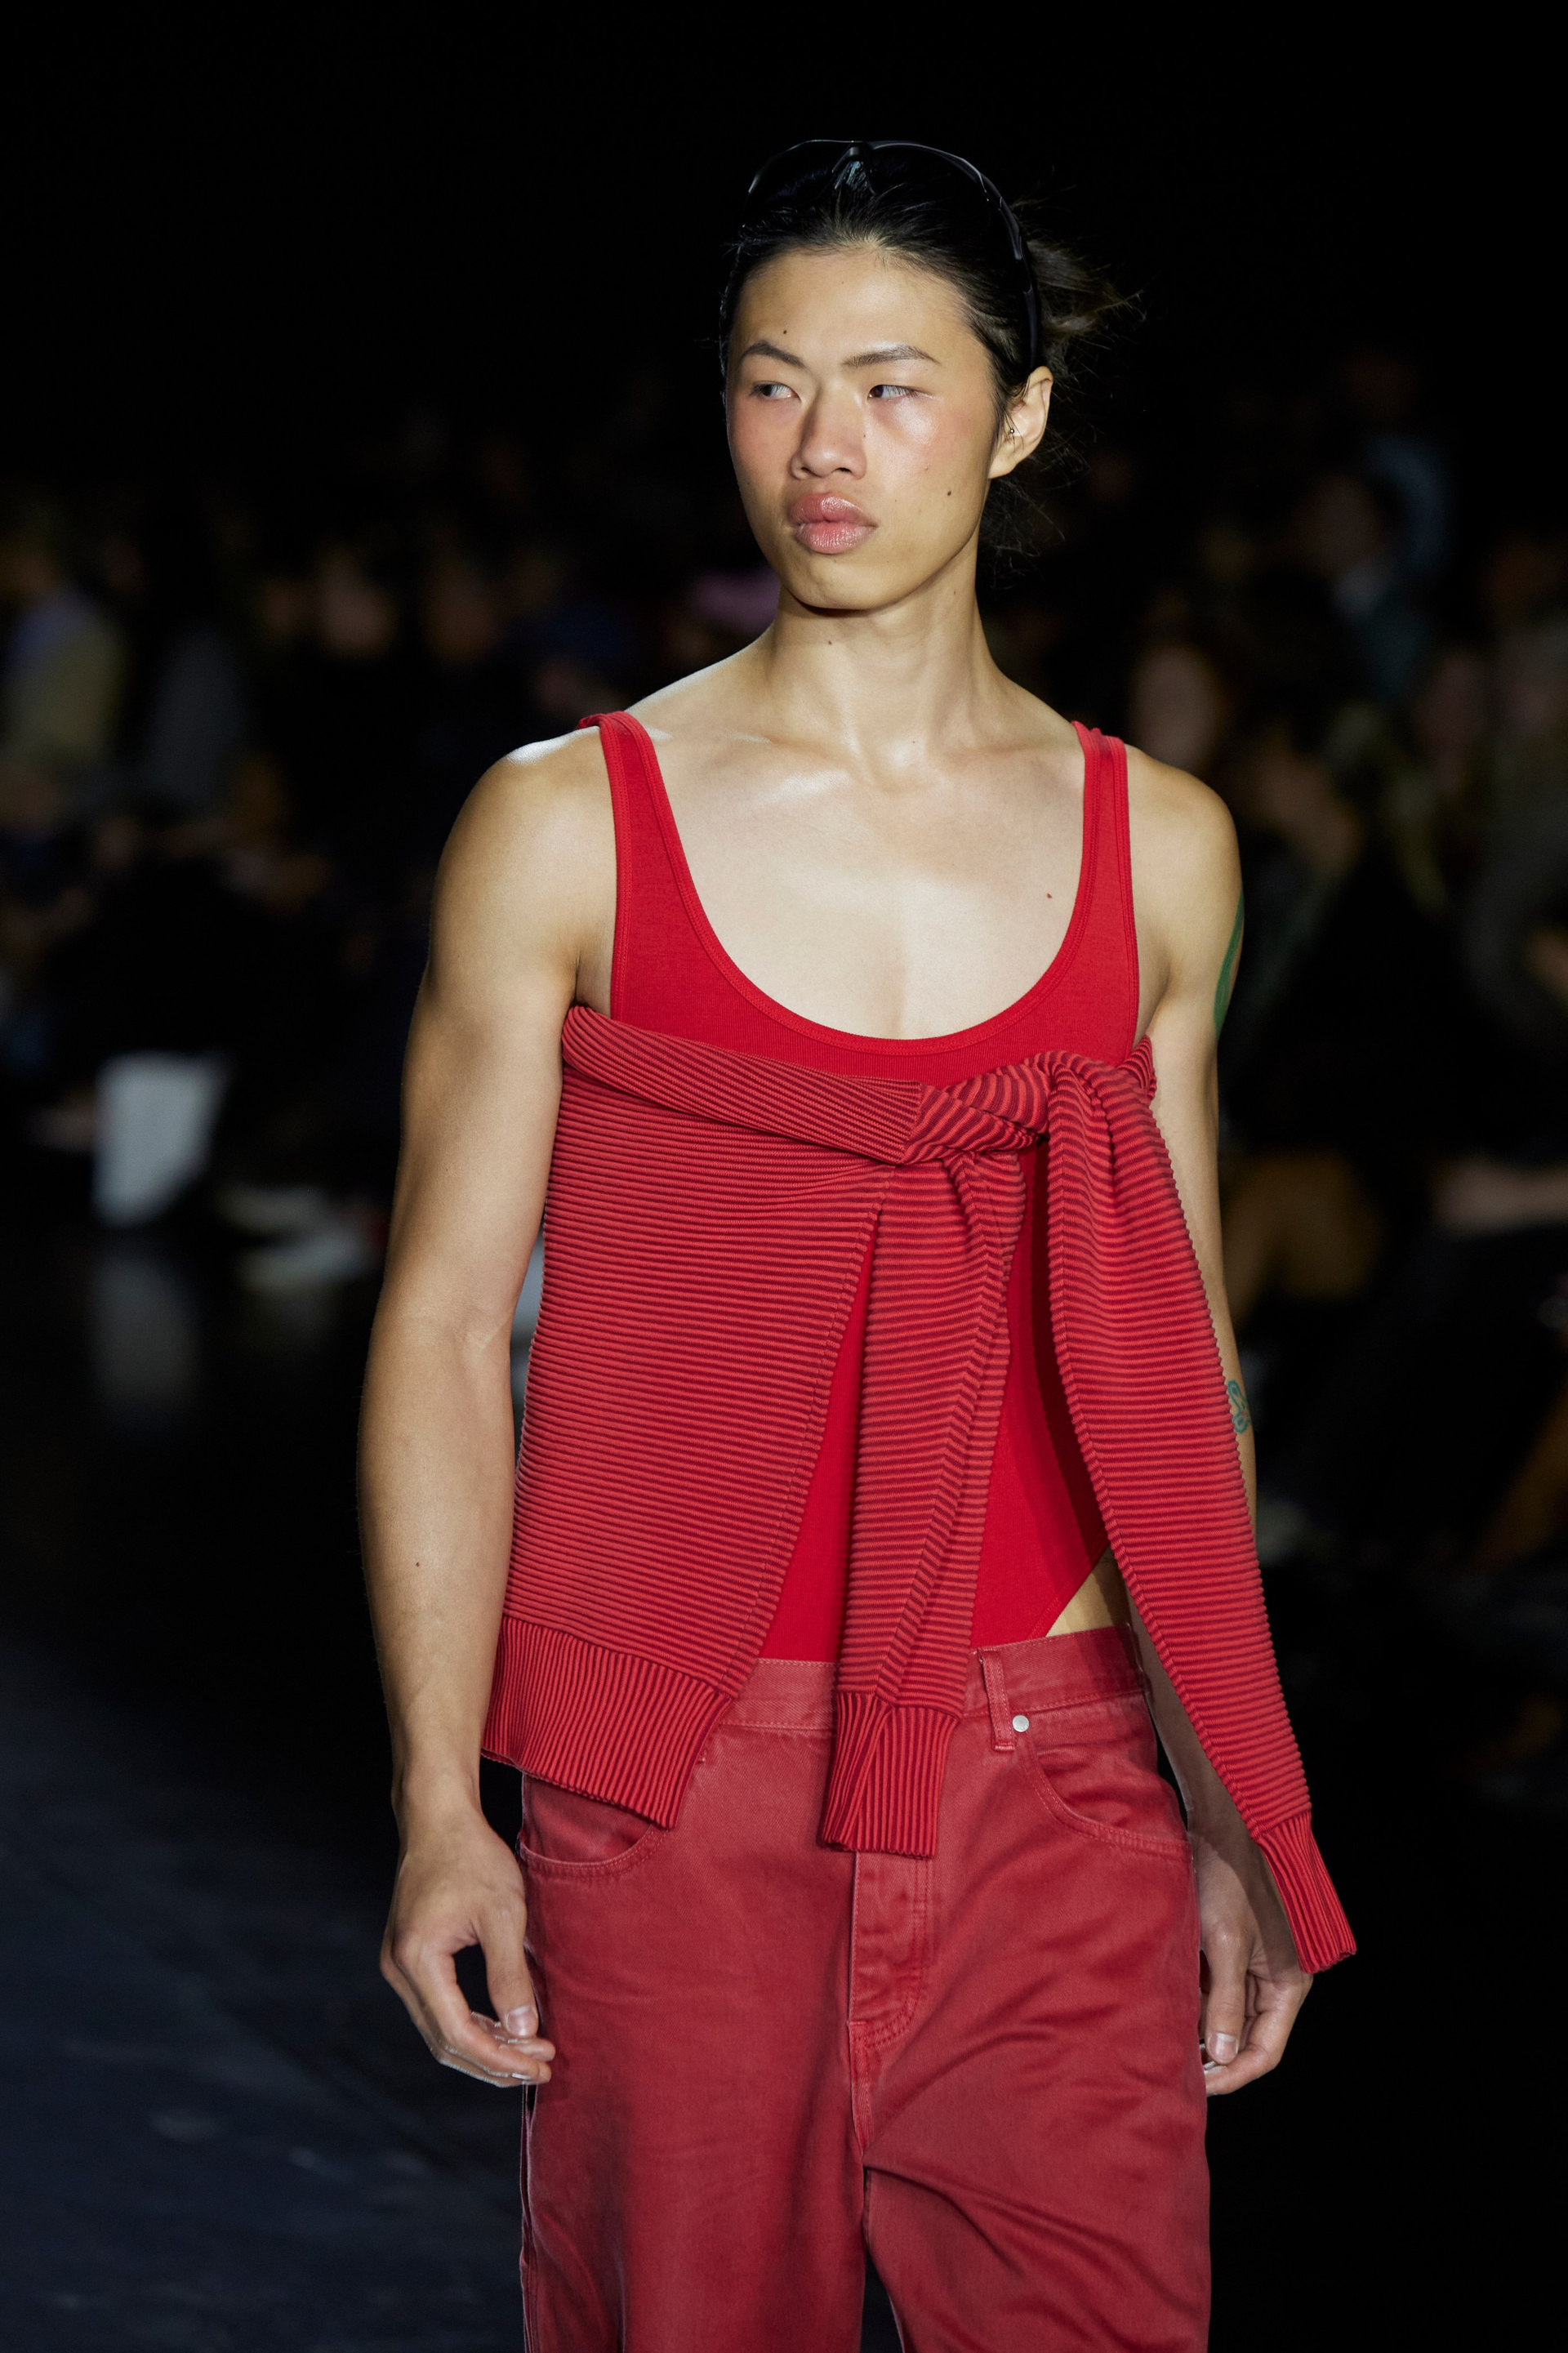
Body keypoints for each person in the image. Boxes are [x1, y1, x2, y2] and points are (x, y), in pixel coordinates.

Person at [361, 141, 1352, 2351]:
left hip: (1061, 1769)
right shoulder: (566, 824)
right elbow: (438, 1330)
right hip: (677, 1767)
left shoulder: (1160, 849)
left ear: (1018, 416)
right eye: (771, 380)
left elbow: (1175, 1373)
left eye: (894, 386)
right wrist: (440, 1802)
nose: (823, 447)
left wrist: (1223, 1800)